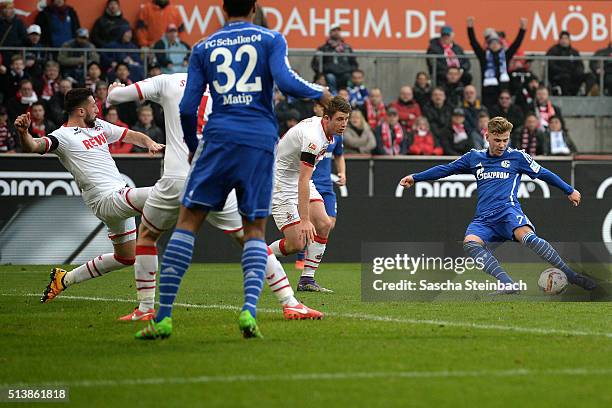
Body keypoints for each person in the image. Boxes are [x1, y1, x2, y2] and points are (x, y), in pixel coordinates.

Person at [135, 0, 330, 340]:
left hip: (217, 140)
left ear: (222, 10)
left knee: (186, 224)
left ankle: (163, 317)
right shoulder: (271, 39)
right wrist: (321, 92)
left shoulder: (203, 47)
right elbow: (286, 81)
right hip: (257, 143)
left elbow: (187, 106)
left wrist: (196, 147)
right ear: (254, 8)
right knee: (254, 230)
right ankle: (248, 313)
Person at [108, 74, 322, 321]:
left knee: (146, 236)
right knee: (252, 240)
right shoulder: (230, 89)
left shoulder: (168, 81)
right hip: (216, 176)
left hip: (176, 179)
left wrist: (116, 87)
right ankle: (290, 303)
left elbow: (116, 98)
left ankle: (145, 309)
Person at [399, 116, 596, 293]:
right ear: (487, 136)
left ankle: (572, 276)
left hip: (508, 212)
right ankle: (508, 283)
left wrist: (569, 190)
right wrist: (416, 178)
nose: (502, 145)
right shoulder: (474, 157)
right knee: (470, 244)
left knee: (528, 238)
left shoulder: (518, 157)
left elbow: (544, 173)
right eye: (497, 140)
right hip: (484, 218)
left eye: (505, 140)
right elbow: (446, 169)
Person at [12, 88, 164, 303]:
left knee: (126, 257)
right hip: (105, 200)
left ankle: (65, 279)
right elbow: (34, 146)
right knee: (164, 195)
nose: (97, 108)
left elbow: (130, 135)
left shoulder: (99, 126)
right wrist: (24, 133)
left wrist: (149, 143)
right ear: (81, 111)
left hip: (118, 197)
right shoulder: (61, 137)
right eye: (94, 105)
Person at [268, 97, 349, 294]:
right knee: (297, 243)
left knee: (323, 224)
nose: (344, 124)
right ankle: (260, 255)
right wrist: (304, 219)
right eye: (339, 119)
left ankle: (307, 280)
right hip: (279, 183)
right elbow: (303, 180)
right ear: (327, 118)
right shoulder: (314, 137)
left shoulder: (327, 132)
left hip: (298, 178)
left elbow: (303, 178)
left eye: (346, 119)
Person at [467, 16, 527, 109]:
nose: (494, 45)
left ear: (501, 45)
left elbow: (516, 44)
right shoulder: (484, 57)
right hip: (488, 93)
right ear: (488, 45)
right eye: (492, 43)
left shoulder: (505, 56)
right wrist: (470, 28)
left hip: (503, 93)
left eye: (497, 43)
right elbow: (474, 43)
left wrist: (522, 29)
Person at [311, 24, 358, 93]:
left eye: (338, 30)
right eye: (334, 30)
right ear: (330, 33)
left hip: (345, 75)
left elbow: (354, 64)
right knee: (330, 77)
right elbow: (315, 65)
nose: (336, 32)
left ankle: (348, 97)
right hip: (329, 75)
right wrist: (326, 70)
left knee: (349, 77)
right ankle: (334, 97)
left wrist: (346, 69)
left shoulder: (347, 48)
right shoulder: (323, 48)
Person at [546, 31, 592, 96]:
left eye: (566, 38)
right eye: (562, 38)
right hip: (559, 76)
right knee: (565, 78)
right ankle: (567, 95)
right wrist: (564, 70)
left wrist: (577, 72)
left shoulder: (574, 52)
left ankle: (584, 94)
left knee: (590, 76)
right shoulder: (553, 51)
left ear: (569, 40)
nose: (564, 41)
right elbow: (551, 65)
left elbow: (580, 65)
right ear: (559, 40)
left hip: (573, 76)